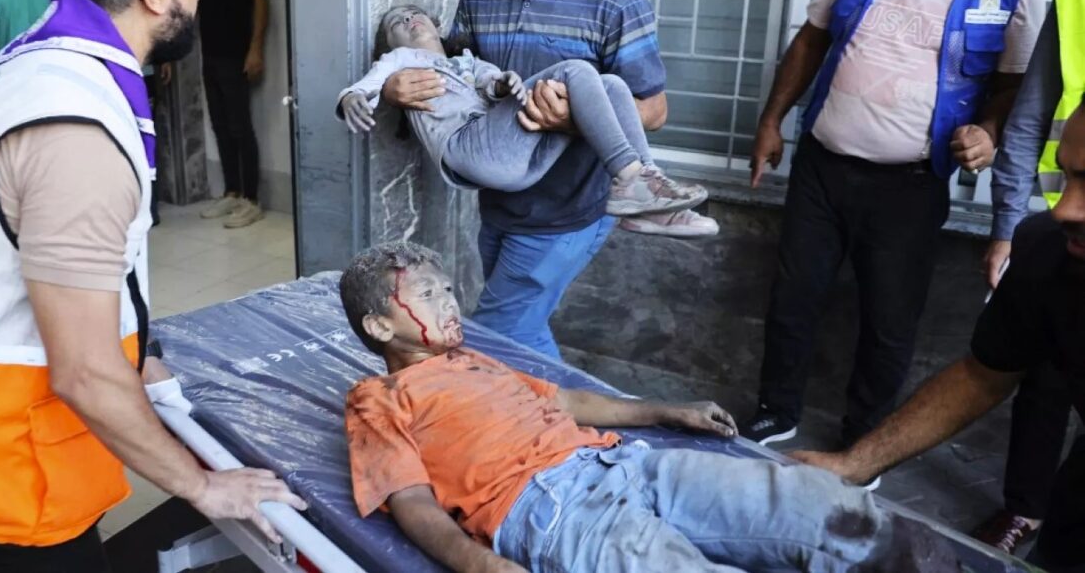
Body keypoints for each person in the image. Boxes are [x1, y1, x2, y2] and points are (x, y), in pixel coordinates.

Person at [0, 0, 304, 571]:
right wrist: (203, 485)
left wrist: (139, 360)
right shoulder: (74, 125)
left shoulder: (46, 64)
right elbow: (84, 371)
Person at [338, 241, 964, 573]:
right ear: (380, 326)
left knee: (805, 503)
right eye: (426, 293)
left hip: (624, 464)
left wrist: (666, 411)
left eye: (448, 288)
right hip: (548, 510)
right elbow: (410, 501)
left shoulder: (475, 361)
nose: (449, 301)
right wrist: (479, 566)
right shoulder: (378, 400)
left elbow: (565, 400)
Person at [741, 0, 1045, 457]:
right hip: (821, 167)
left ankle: (863, 440)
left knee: (889, 321)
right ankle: (776, 410)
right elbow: (812, 39)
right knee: (793, 298)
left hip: (909, 186)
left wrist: (989, 131)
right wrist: (771, 121)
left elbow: (1014, 84)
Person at [383, 0, 716, 360]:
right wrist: (394, 88)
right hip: (500, 202)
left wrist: (570, 119)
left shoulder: (615, 1)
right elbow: (455, 83)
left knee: (491, 337)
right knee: (525, 334)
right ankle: (566, 406)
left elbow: (653, 111)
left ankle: (641, 189)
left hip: (568, 215)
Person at [792, 99, 1085, 571]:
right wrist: (854, 464)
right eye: (1066, 178)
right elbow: (982, 377)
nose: (1066, 208)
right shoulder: (1049, 254)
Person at [339, 5, 708, 228]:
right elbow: (366, 85)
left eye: (414, 13)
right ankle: (630, 177)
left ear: (436, 25)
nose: (409, 19)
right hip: (468, 147)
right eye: (396, 22)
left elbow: (492, 83)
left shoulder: (467, 61)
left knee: (612, 84)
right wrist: (351, 98)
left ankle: (650, 201)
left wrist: (506, 84)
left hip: (514, 162)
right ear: (390, 44)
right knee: (576, 70)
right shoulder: (401, 60)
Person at [969, 0, 1085, 555]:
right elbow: (1031, 117)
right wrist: (1008, 230)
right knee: (1043, 372)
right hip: (1063, 218)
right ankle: (1026, 508)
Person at [183, 0, 269, 229]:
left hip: (237, 55)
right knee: (220, 125)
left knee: (240, 127)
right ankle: (232, 192)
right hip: (211, 54)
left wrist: (255, 48)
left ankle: (251, 200)